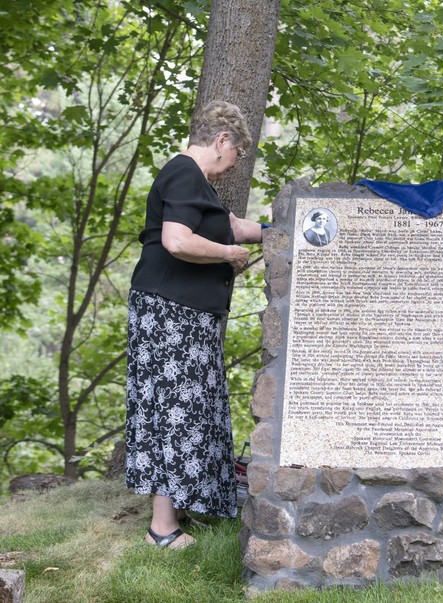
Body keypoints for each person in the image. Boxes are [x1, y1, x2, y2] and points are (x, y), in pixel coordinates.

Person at [125, 100, 264, 549]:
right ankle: (161, 529)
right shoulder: (185, 172)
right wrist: (228, 255)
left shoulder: (195, 184)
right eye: (236, 152)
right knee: (173, 413)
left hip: (183, 313)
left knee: (190, 412)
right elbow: (177, 239)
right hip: (170, 314)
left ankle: (179, 510)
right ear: (222, 140)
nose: (233, 163)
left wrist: (288, 226)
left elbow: (236, 227)